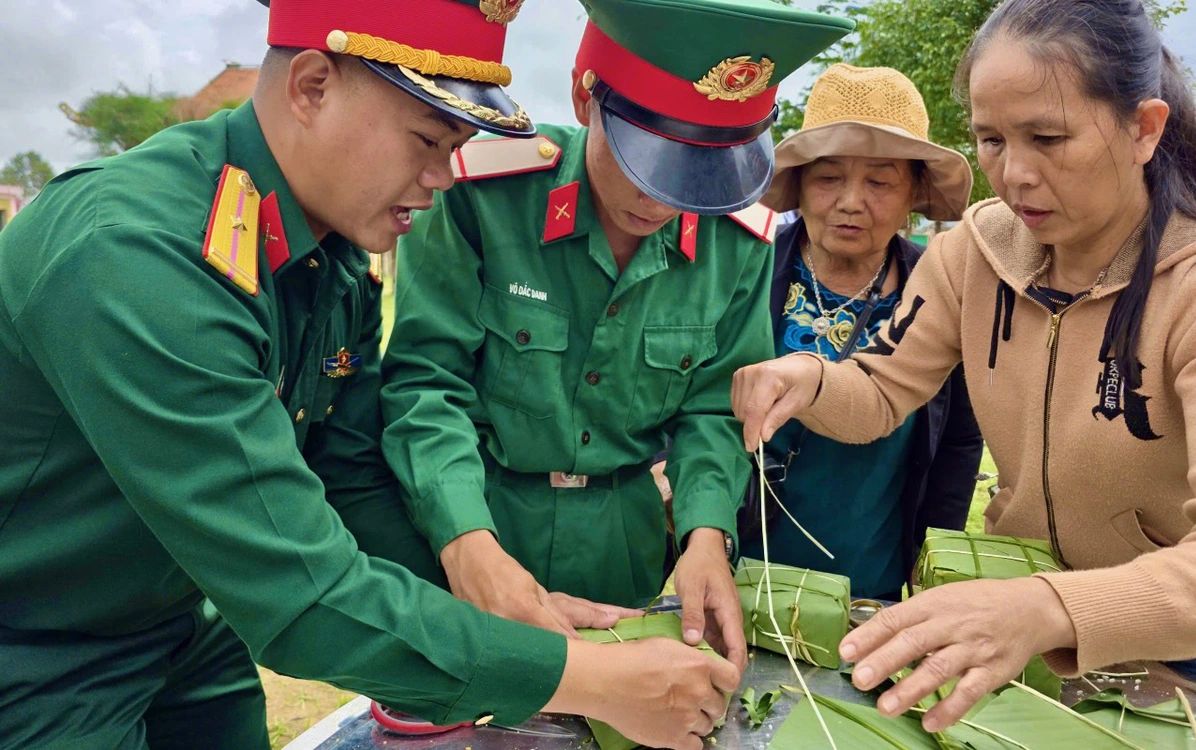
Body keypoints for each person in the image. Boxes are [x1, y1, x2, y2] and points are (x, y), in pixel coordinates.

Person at [0, 2, 741, 749]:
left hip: (175, 627)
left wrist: (511, 611)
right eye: (426, 139)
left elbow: (350, 479)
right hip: (35, 650)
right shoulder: (136, 256)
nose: (442, 178)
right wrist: (580, 675)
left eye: (455, 147)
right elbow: (303, 595)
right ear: (313, 86)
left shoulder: (330, 262)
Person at [731, 0, 1196, 733]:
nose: (1014, 175)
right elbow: (882, 386)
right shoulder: (974, 258)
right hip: (1010, 621)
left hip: (1171, 661)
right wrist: (809, 380)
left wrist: (1049, 607)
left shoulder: (1190, 288)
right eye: (990, 139)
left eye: (1048, 137)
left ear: (1144, 128)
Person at [380, 0, 853, 672]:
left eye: (701, 175)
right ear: (585, 97)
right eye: (648, 159)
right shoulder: (485, 193)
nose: (663, 200)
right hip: (475, 525)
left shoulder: (734, 241)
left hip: (621, 551)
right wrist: (467, 545)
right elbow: (427, 384)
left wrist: (706, 534)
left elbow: (715, 407)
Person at [737, 64, 982, 601]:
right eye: (829, 177)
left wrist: (931, 558)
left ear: (914, 189)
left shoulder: (941, 291)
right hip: (739, 573)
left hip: (870, 585)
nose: (851, 201)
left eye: (879, 180)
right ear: (799, 184)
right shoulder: (745, 272)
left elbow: (961, 439)